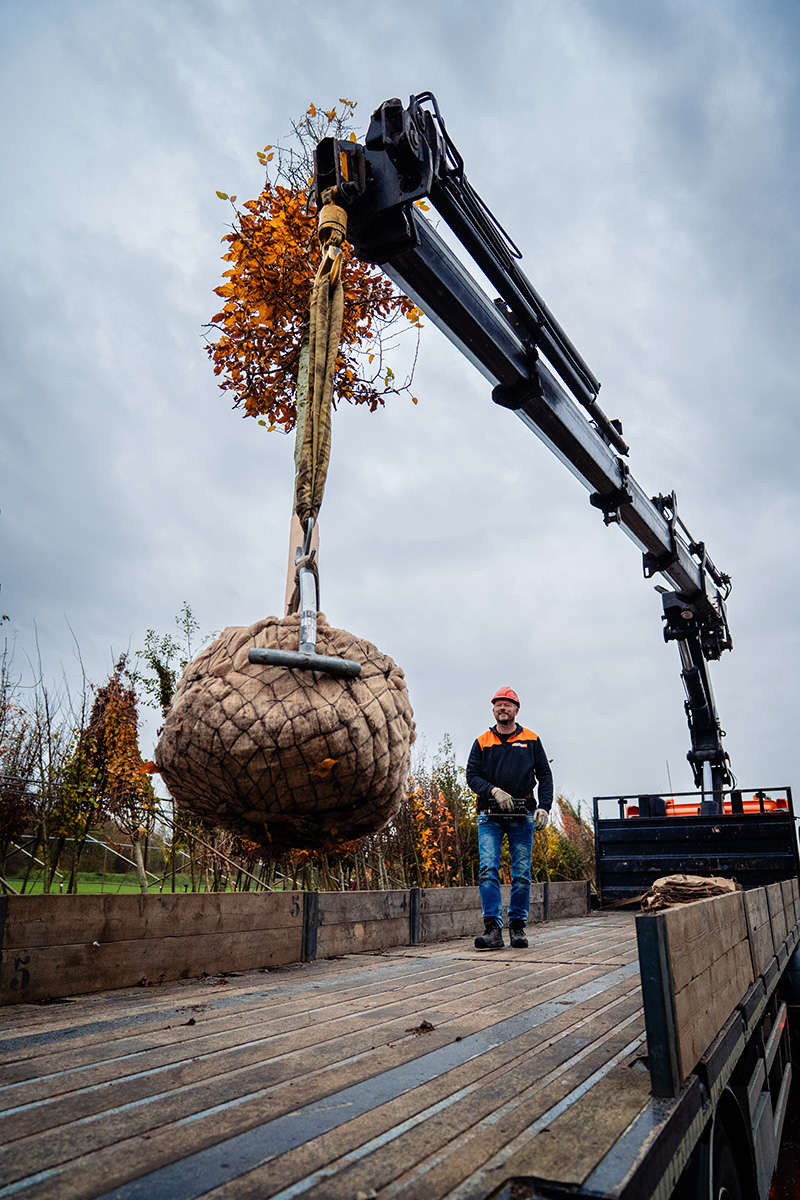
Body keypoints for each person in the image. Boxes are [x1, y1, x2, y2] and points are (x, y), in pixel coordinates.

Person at [466, 687, 553, 950]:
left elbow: (545, 776)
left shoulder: (531, 740)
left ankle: (517, 927)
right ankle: (493, 930)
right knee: (488, 870)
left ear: (517, 709)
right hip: (489, 815)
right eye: (498, 705)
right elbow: (472, 776)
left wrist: (545, 807)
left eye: (507, 705)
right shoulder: (482, 741)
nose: (502, 709)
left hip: (523, 814)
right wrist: (493, 790)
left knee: (522, 873)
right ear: (493, 710)